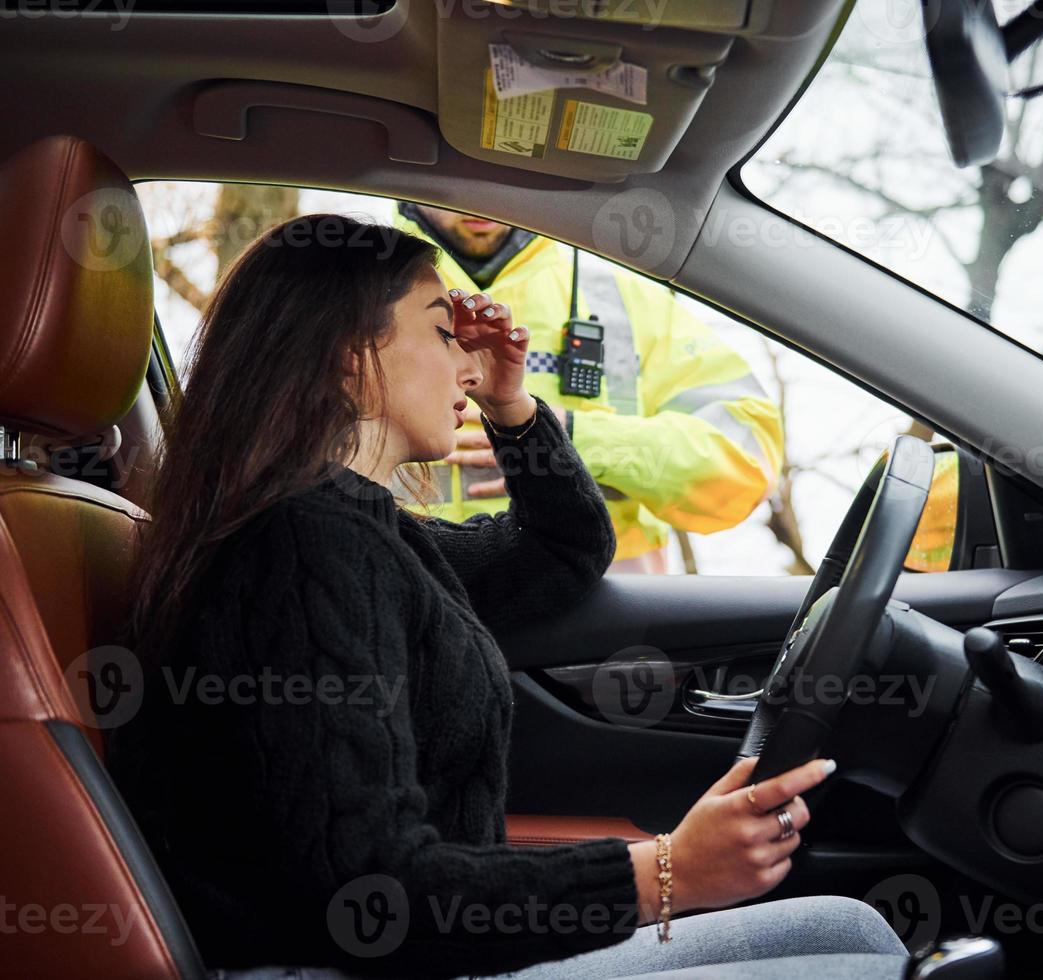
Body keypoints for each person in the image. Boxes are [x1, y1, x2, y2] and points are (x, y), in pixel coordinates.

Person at [107, 214, 910, 979]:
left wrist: (512, 409)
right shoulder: (303, 545)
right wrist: (665, 874)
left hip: (419, 954)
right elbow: (370, 887)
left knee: (851, 929)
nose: (467, 361)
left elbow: (565, 548)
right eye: (442, 331)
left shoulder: (370, 531)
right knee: (861, 959)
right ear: (351, 354)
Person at [393, 204, 785, 574]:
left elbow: (745, 465)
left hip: (607, 622)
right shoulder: (357, 295)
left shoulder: (628, 296)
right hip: (413, 609)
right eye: (459, 179)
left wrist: (575, 439)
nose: (475, 201)